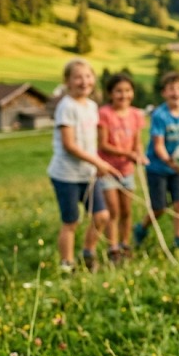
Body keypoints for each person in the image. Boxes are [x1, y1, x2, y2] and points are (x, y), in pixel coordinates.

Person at [47, 58, 119, 273]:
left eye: (88, 76)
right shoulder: (66, 107)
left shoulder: (92, 106)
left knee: (102, 216)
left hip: (87, 174)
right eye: (77, 77)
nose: (84, 81)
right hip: (66, 175)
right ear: (67, 81)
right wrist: (98, 161)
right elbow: (70, 145)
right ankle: (67, 265)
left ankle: (88, 252)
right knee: (71, 221)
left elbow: (90, 141)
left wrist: (95, 164)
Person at [133, 71, 179, 250]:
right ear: (164, 93)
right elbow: (158, 145)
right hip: (157, 167)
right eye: (171, 89)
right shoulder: (160, 115)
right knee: (159, 207)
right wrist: (170, 162)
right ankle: (141, 228)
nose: (176, 93)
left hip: (177, 169)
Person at [97, 72, 147, 261]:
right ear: (110, 93)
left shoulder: (136, 114)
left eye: (127, 90)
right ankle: (113, 248)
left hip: (127, 170)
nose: (123, 95)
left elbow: (137, 141)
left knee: (127, 211)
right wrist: (128, 154)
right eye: (118, 91)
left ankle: (125, 244)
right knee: (113, 210)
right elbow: (103, 145)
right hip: (108, 170)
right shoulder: (105, 114)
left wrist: (139, 155)